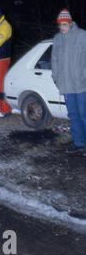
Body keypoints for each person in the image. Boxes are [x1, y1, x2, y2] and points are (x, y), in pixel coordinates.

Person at [51, 9, 86, 155]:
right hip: (66, 84)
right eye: (60, 25)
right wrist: (56, 77)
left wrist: (84, 75)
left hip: (81, 84)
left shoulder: (82, 35)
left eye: (64, 25)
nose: (62, 28)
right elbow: (54, 60)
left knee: (83, 113)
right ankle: (79, 143)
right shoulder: (57, 38)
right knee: (73, 115)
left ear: (70, 23)